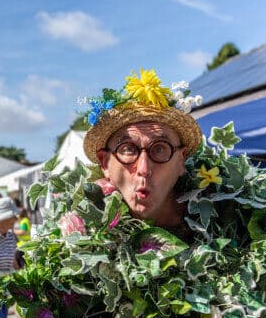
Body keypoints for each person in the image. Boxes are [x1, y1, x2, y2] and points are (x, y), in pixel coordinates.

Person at [83, 70, 203, 230]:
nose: (144, 169)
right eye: (127, 149)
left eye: (160, 149)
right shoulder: (83, 238)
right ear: (104, 163)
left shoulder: (226, 226)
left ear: (181, 160)